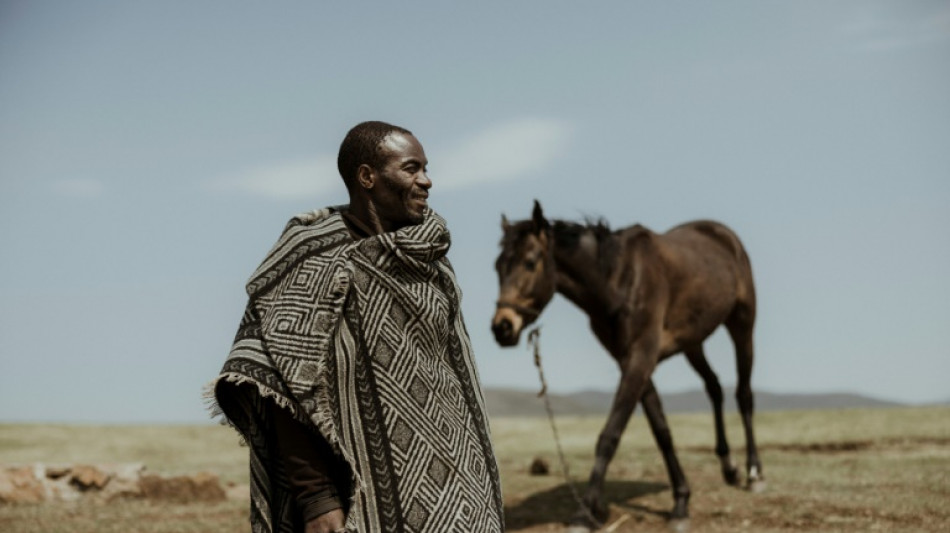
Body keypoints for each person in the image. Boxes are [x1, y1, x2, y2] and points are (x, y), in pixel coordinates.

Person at [209, 121, 504, 533]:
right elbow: (278, 386)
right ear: (367, 176)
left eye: (426, 168)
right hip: (358, 491)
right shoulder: (314, 257)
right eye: (411, 168)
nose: (427, 180)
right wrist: (316, 496)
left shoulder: (431, 259)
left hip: (461, 484)